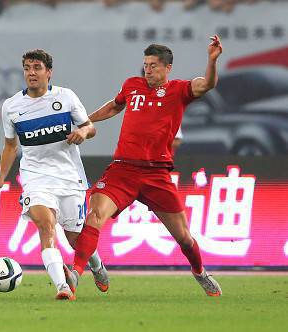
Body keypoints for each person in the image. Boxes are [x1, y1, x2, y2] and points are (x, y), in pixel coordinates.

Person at [71, 36, 224, 296]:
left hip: (156, 174)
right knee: (94, 216)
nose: (148, 69)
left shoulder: (179, 90)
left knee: (184, 238)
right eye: (146, 64)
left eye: (153, 65)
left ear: (167, 68)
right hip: (123, 170)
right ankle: (74, 275)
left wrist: (211, 60)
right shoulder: (132, 85)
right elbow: (114, 106)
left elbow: (207, 84)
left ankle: (200, 272)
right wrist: (85, 121)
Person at [0, 49, 109, 301]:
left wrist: (83, 133)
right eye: (27, 67)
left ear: (48, 72)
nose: (31, 72)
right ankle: (63, 286)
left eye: (37, 67)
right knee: (45, 226)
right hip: (35, 178)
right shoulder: (11, 107)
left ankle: (96, 265)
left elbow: (89, 127)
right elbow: (10, 145)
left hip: (69, 177)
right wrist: (0, 178)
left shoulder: (66, 97)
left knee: (75, 239)